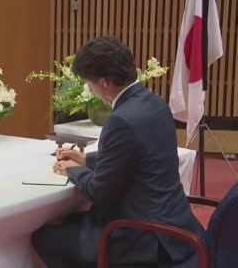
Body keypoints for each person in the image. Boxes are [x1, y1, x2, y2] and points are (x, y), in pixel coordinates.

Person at [32, 37, 204, 267]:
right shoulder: (155, 103)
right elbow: (139, 157)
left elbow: (99, 191)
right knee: (70, 221)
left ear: (103, 83)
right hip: (177, 226)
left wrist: (72, 170)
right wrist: (85, 159)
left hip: (142, 238)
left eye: (89, 83)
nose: (90, 90)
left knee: (43, 236)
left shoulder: (121, 120)